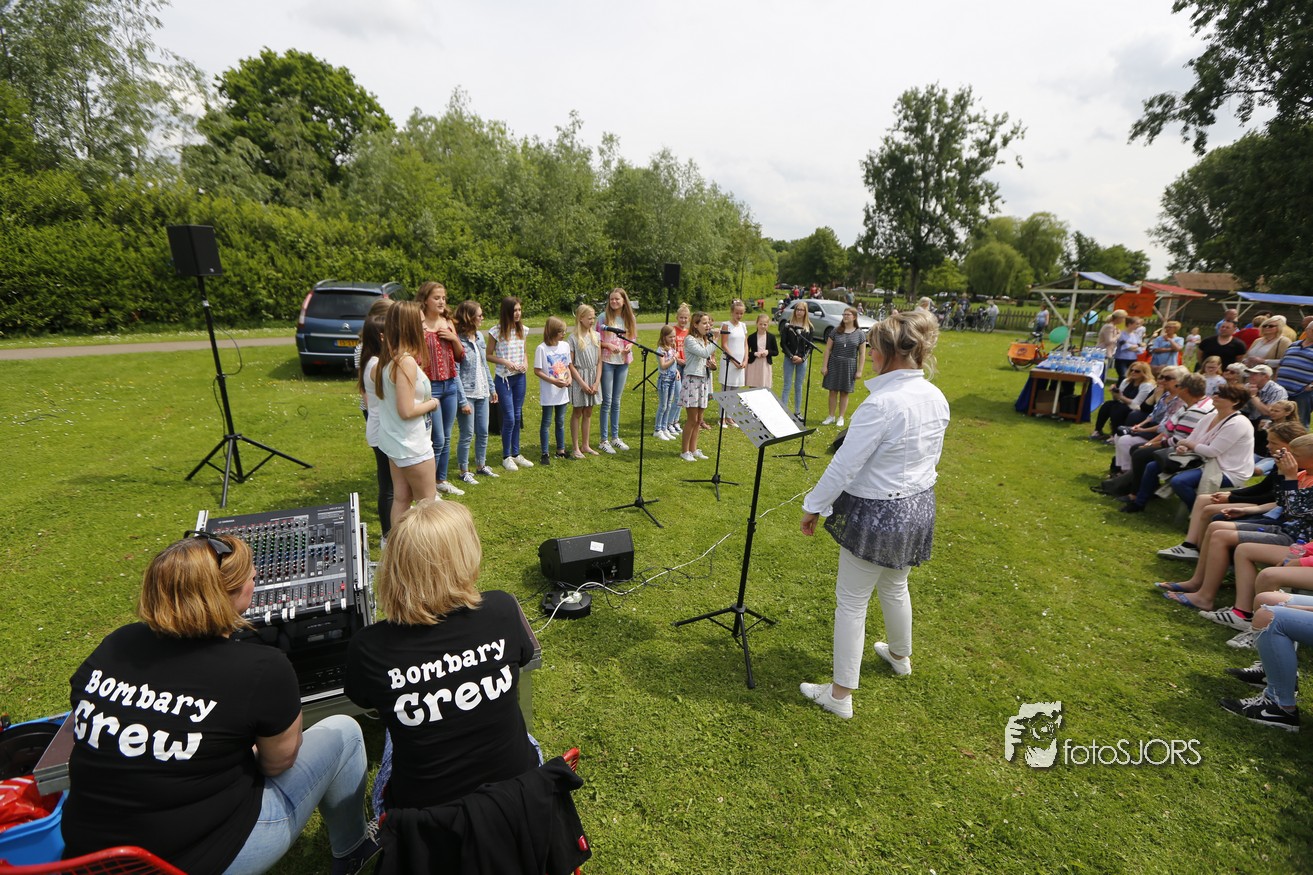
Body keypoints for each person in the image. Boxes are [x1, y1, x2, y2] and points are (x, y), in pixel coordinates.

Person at [63, 533, 375, 875]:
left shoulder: (116, 643)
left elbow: (86, 719)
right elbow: (278, 763)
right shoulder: (263, 668)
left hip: (90, 861)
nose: (255, 577)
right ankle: (354, 850)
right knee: (345, 732)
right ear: (227, 594)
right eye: (251, 575)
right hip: (192, 862)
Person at [798, 310, 950, 718]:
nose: (870, 355)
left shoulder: (881, 403)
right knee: (896, 585)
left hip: (881, 510)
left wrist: (813, 506)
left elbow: (844, 465)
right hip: (918, 504)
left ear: (889, 353)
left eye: (873, 349)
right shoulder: (934, 396)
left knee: (852, 601)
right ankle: (899, 656)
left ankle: (840, 695)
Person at [345, 500, 539, 809]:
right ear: (464, 556)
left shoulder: (368, 646)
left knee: (395, 727)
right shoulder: (501, 608)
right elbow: (524, 656)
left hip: (424, 818)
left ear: (395, 565)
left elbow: (364, 699)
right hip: (516, 796)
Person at [1156, 434, 1313, 611]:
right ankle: (1197, 583)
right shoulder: (1302, 474)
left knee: (1222, 537)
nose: (1289, 457)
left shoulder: (1301, 477)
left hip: (1298, 540)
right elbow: (1281, 501)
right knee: (1216, 527)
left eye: (1295, 455)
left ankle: (1206, 597)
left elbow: (1294, 512)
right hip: (1286, 530)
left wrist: (1290, 478)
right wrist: (1282, 474)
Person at [376, 301, 440, 521]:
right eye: (421, 323)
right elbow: (406, 410)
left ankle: (397, 543)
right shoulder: (406, 362)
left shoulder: (390, 358)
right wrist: (433, 403)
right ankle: (424, 546)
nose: (425, 327)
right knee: (427, 506)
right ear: (409, 326)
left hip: (397, 442)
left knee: (402, 499)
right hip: (412, 445)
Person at [419, 282, 468, 497]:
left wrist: (453, 338)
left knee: (446, 437)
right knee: (436, 439)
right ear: (425, 300)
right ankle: (428, 487)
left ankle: (441, 480)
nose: (441, 302)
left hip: (450, 385)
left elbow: (460, 356)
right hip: (430, 388)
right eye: (436, 297)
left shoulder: (447, 322)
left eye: (444, 298)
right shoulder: (418, 322)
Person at [357, 298, 395, 543]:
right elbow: (371, 393)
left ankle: (393, 525)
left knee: (393, 481)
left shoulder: (379, 354)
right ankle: (387, 535)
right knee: (388, 483)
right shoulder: (371, 358)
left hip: (383, 421)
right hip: (381, 422)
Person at [453, 300, 499, 486]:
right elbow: (455, 372)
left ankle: (481, 465)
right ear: (469, 318)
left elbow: (484, 365)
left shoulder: (479, 336)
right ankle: (464, 471)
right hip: (468, 394)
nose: (482, 318)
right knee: (467, 434)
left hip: (482, 392)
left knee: (483, 432)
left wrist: (492, 388)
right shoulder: (457, 340)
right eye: (479, 315)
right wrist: (462, 400)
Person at [487, 296, 534, 471]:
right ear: (506, 311)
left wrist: (526, 364)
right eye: (514, 310)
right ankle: (506, 456)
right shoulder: (495, 331)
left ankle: (516, 453)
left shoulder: (523, 329)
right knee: (509, 417)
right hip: (503, 379)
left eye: (519, 310)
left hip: (520, 378)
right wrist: (504, 362)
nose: (518, 313)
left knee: (517, 415)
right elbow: (488, 355)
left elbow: (525, 352)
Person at [598, 287, 637, 453]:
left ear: (624, 301)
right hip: (607, 361)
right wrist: (607, 345)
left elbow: (632, 336)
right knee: (607, 401)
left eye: (617, 299)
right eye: (611, 299)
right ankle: (604, 440)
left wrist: (629, 346)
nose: (614, 302)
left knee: (617, 401)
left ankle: (615, 437)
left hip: (623, 362)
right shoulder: (603, 317)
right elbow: (595, 339)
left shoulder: (629, 318)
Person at [534, 316, 572, 464]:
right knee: (547, 422)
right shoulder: (542, 349)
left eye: (564, 331)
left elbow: (567, 366)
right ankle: (545, 453)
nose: (564, 334)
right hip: (549, 392)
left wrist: (569, 378)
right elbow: (537, 370)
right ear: (552, 332)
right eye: (561, 331)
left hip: (562, 392)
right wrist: (553, 381)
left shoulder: (565, 346)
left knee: (560, 421)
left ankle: (560, 450)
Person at [820, 307, 866, 427]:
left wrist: (860, 370)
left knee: (845, 392)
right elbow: (828, 349)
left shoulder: (860, 334)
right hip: (834, 362)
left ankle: (841, 417)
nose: (845, 316)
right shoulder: (835, 331)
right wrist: (824, 366)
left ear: (854, 317)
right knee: (832, 390)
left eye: (848, 315)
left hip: (849, 365)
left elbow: (862, 354)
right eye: (844, 314)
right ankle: (831, 416)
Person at [680, 311, 716, 462]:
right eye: (704, 323)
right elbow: (703, 353)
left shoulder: (704, 340)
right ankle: (685, 451)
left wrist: (712, 365)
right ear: (695, 325)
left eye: (709, 323)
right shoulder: (690, 339)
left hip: (703, 381)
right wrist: (716, 340)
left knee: (699, 419)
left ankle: (693, 449)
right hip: (692, 381)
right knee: (692, 419)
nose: (708, 326)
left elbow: (706, 358)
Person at [567, 304, 602, 457]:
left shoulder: (596, 336)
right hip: (579, 378)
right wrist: (581, 383)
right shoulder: (573, 338)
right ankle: (575, 447)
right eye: (589, 318)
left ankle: (585, 445)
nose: (592, 321)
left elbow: (599, 361)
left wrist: (596, 382)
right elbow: (570, 364)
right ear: (581, 318)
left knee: (588, 411)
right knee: (577, 411)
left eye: (593, 318)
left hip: (593, 377)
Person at [1089, 361, 1154, 440]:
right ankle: (1098, 430)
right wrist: (1114, 393)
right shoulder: (1126, 381)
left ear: (1144, 373)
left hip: (1137, 409)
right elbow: (1117, 398)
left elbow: (1136, 403)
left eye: (1137, 371)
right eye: (1131, 370)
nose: (1133, 372)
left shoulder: (1147, 385)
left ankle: (1115, 435)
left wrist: (1120, 397)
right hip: (1124, 404)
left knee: (1119, 409)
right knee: (1107, 405)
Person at [1274, 318, 1313, 426]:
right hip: (1282, 390)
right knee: (1278, 419)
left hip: (1303, 392)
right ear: (1307, 330)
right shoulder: (1293, 345)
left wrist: (1310, 387)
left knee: (1299, 422)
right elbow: (1282, 363)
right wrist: (1276, 378)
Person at [779, 300, 813, 416]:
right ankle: (783, 411)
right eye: (797, 309)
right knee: (787, 385)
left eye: (802, 310)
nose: (799, 312)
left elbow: (809, 346)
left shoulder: (809, 327)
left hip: (802, 360)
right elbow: (783, 343)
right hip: (789, 358)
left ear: (805, 312)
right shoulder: (788, 325)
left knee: (798, 386)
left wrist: (802, 359)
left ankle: (797, 412)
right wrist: (791, 355)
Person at [718, 299, 749, 427]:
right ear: (732, 312)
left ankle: (730, 417)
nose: (739, 316)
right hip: (729, 362)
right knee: (726, 390)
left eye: (741, 313)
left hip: (740, 363)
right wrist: (734, 360)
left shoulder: (743, 326)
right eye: (737, 313)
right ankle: (722, 417)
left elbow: (745, 344)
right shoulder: (726, 325)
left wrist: (745, 360)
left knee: (734, 391)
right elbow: (724, 345)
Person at [654, 324, 681, 441]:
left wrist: (677, 371)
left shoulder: (672, 348)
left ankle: (664, 428)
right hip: (664, 380)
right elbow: (663, 365)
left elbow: (673, 365)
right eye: (670, 337)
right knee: (663, 405)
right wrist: (674, 358)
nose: (673, 339)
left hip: (672, 379)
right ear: (664, 337)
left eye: (674, 336)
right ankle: (657, 429)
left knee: (669, 405)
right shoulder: (661, 350)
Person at [744, 312, 777, 389]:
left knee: (764, 386)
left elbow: (776, 352)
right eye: (760, 324)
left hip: (765, 364)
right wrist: (755, 353)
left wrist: (768, 352)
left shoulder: (771, 337)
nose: (762, 326)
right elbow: (746, 352)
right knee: (753, 386)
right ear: (757, 324)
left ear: (768, 325)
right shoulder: (751, 337)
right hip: (754, 364)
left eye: (765, 324)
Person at [1112, 316, 1146, 381]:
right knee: (1123, 376)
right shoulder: (1121, 334)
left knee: (1131, 378)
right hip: (1121, 359)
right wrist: (1138, 345)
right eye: (1137, 324)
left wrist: (1135, 346)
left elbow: (1141, 348)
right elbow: (1127, 347)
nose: (1138, 326)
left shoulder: (1136, 335)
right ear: (1130, 324)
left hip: (1133, 359)